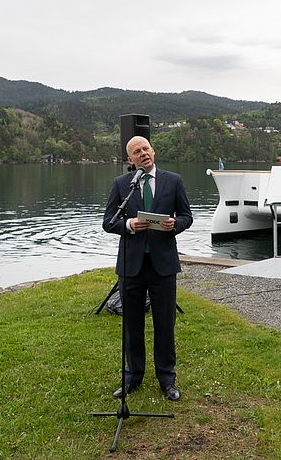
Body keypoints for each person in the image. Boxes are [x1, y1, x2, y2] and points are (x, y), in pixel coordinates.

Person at [102, 136, 193, 401]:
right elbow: (108, 222)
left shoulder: (173, 181)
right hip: (131, 265)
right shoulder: (121, 185)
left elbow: (187, 216)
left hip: (163, 265)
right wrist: (129, 225)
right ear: (130, 160)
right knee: (132, 325)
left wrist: (174, 225)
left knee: (165, 324)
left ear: (153, 151)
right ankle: (133, 376)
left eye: (145, 149)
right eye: (136, 152)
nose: (143, 154)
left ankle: (167, 379)